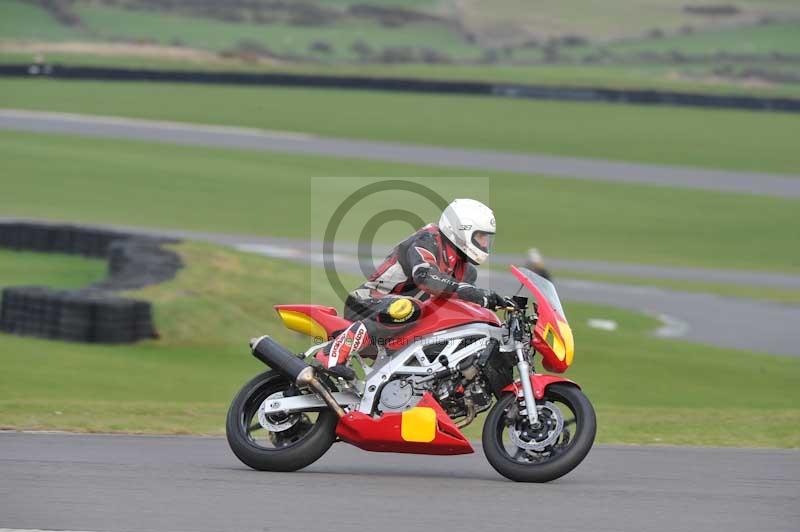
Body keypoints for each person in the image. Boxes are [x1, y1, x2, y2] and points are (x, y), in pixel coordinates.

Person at [321, 198, 507, 379]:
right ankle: (332, 354)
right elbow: (424, 276)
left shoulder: (466, 271)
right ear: (461, 230)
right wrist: (470, 292)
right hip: (366, 306)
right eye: (481, 237)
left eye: (487, 238)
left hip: (404, 324)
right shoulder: (427, 239)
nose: (484, 244)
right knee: (409, 307)